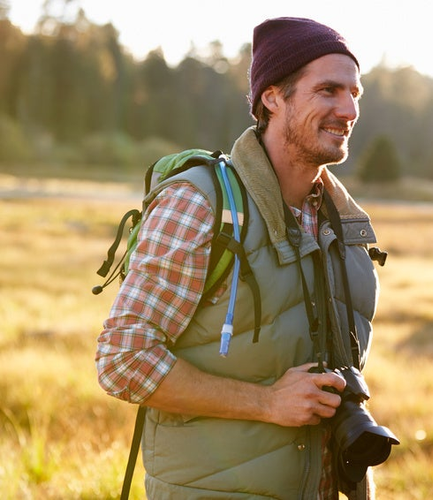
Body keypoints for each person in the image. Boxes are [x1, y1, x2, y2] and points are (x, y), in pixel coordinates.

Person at [97, 17, 388, 500]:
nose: (349, 108)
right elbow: (122, 359)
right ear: (273, 98)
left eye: (355, 93)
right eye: (329, 90)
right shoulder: (201, 204)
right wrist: (268, 402)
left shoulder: (346, 226)